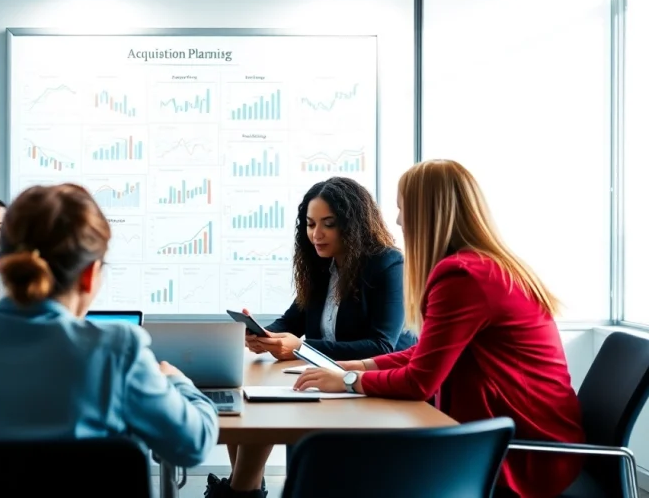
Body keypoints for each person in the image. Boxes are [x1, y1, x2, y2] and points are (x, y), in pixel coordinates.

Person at [294, 160, 585, 498]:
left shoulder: (464, 277)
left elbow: (420, 381)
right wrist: (358, 366)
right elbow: (427, 353)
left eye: (404, 209)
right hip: (520, 438)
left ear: (428, 213)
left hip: (526, 457)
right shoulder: (484, 266)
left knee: (343, 472)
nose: (400, 221)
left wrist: (347, 381)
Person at [0, 183, 219, 468]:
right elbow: (193, 445)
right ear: (89, 275)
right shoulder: (117, 348)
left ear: (7, 263)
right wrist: (179, 383)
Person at [208, 176, 412, 498]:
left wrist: (301, 347)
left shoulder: (387, 264)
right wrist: (260, 333)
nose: (316, 234)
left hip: (368, 388)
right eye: (310, 224)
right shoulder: (323, 268)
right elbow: (291, 320)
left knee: (262, 409)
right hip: (324, 384)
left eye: (328, 224)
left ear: (353, 224)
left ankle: (240, 491)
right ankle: (244, 488)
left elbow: (382, 345)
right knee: (247, 403)